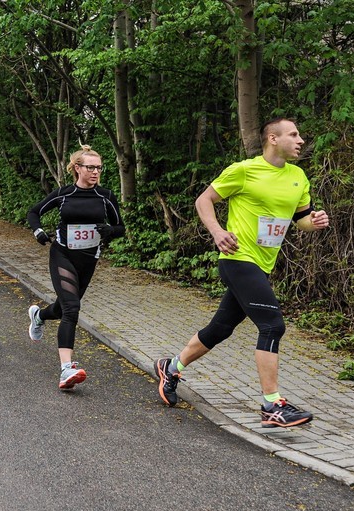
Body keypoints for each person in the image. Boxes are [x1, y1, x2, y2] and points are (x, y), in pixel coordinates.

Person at [155, 118, 330, 428]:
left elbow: (300, 218)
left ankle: (171, 367)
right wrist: (217, 231)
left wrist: (312, 222)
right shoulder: (243, 170)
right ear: (273, 139)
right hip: (238, 259)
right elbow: (204, 200)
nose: (301, 140)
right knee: (273, 326)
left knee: (220, 328)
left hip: (262, 266)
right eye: (294, 134)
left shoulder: (299, 177)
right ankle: (271, 405)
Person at [26, 145, 125, 390]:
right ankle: (66, 369)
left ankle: (39, 316)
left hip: (88, 260)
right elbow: (34, 211)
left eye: (99, 168)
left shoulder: (106, 197)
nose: (95, 172)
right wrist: (38, 231)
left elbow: (120, 227)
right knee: (72, 308)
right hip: (63, 255)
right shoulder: (64, 194)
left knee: (62, 308)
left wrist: (110, 231)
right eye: (90, 167)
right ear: (77, 168)